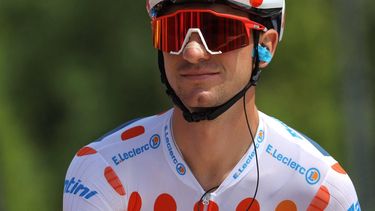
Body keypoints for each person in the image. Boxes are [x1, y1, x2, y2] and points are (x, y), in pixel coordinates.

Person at [63, 0, 361, 210]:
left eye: (218, 30)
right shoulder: (105, 172)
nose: (192, 51)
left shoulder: (321, 192)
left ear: (265, 47)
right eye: (174, 30)